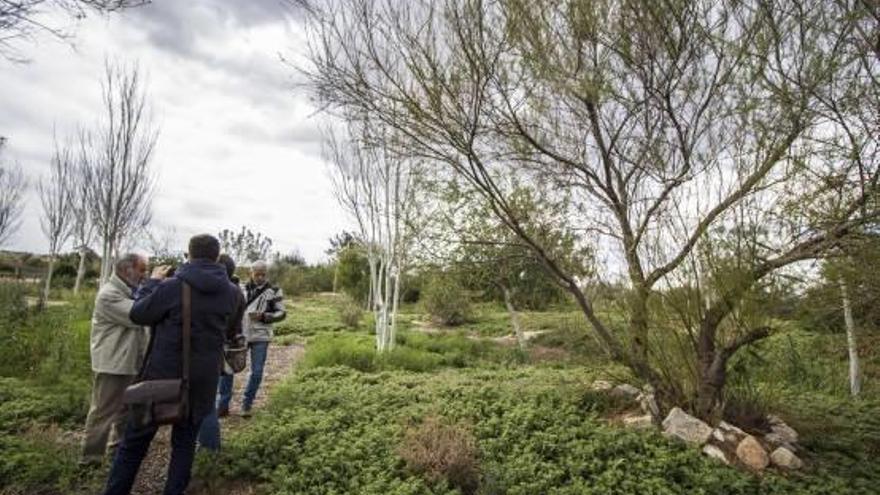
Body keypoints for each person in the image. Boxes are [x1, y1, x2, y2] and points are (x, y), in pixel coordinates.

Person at [102, 235, 236, 495]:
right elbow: (228, 328)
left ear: (189, 254)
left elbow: (139, 314)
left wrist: (152, 282)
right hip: (204, 381)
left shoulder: (172, 286)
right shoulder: (231, 292)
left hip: (161, 378)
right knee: (184, 445)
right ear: (216, 257)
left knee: (134, 444)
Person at [82, 254, 149, 465]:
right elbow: (138, 315)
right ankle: (90, 459)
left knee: (127, 409)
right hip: (113, 364)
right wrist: (154, 285)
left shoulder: (129, 291)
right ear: (126, 270)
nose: (144, 275)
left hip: (128, 362)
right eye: (141, 270)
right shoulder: (109, 295)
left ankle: (118, 449)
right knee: (103, 411)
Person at [217, 260, 285, 417]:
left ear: (266, 273)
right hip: (240, 334)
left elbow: (282, 313)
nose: (260, 277)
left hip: (261, 335)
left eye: (263, 274)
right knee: (228, 368)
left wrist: (265, 316)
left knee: (257, 372)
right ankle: (223, 405)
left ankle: (247, 403)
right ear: (250, 273)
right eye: (257, 274)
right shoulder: (239, 288)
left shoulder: (274, 290)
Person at [197, 254, 245, 451]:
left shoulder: (206, 290)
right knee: (207, 398)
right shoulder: (237, 294)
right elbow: (235, 328)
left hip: (201, 351)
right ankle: (208, 445)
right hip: (220, 349)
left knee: (203, 402)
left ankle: (209, 448)